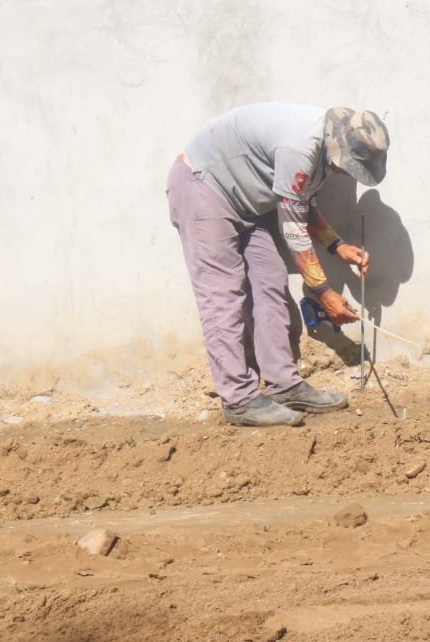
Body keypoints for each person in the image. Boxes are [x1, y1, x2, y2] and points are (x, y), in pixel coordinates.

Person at [166, 103, 390, 426]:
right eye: (351, 167)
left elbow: (303, 203)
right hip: (204, 187)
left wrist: (337, 245)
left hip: (247, 203)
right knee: (223, 297)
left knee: (270, 280)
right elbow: (294, 229)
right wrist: (325, 293)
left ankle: (284, 385)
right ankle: (239, 399)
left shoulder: (321, 146)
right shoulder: (300, 147)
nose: (348, 173)